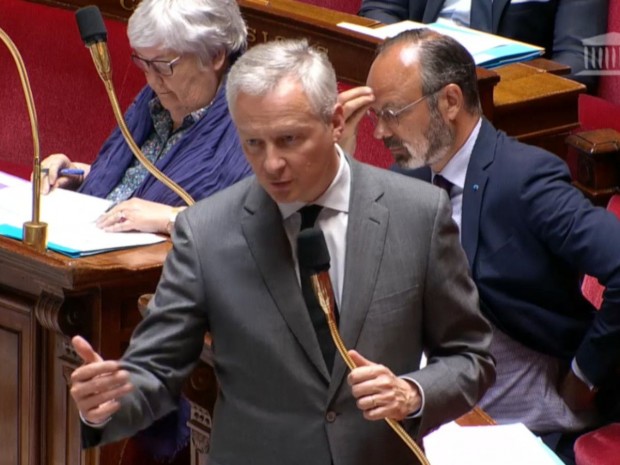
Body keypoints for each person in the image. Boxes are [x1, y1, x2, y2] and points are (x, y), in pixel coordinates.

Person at [68, 38, 495, 465]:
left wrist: (412, 393)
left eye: (289, 139)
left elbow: (470, 356)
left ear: (336, 121)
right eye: (254, 144)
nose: (271, 163)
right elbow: (154, 372)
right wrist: (108, 403)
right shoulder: (207, 233)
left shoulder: (417, 214)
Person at [340, 28, 620, 464]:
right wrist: (337, 156)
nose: (379, 132)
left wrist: (584, 377)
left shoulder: (524, 180)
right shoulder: (415, 175)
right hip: (437, 407)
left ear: (450, 102)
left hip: (527, 424)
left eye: (392, 113)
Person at [39, 0, 251, 235]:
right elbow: (146, 182)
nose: (151, 80)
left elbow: (252, 228)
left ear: (214, 56)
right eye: (143, 64)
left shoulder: (253, 122)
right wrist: (80, 175)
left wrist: (171, 218)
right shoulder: (154, 102)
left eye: (162, 66)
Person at [358, 0, 608, 91]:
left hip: (499, 95)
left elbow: (578, 63)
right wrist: (410, 63)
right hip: (411, 78)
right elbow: (379, 11)